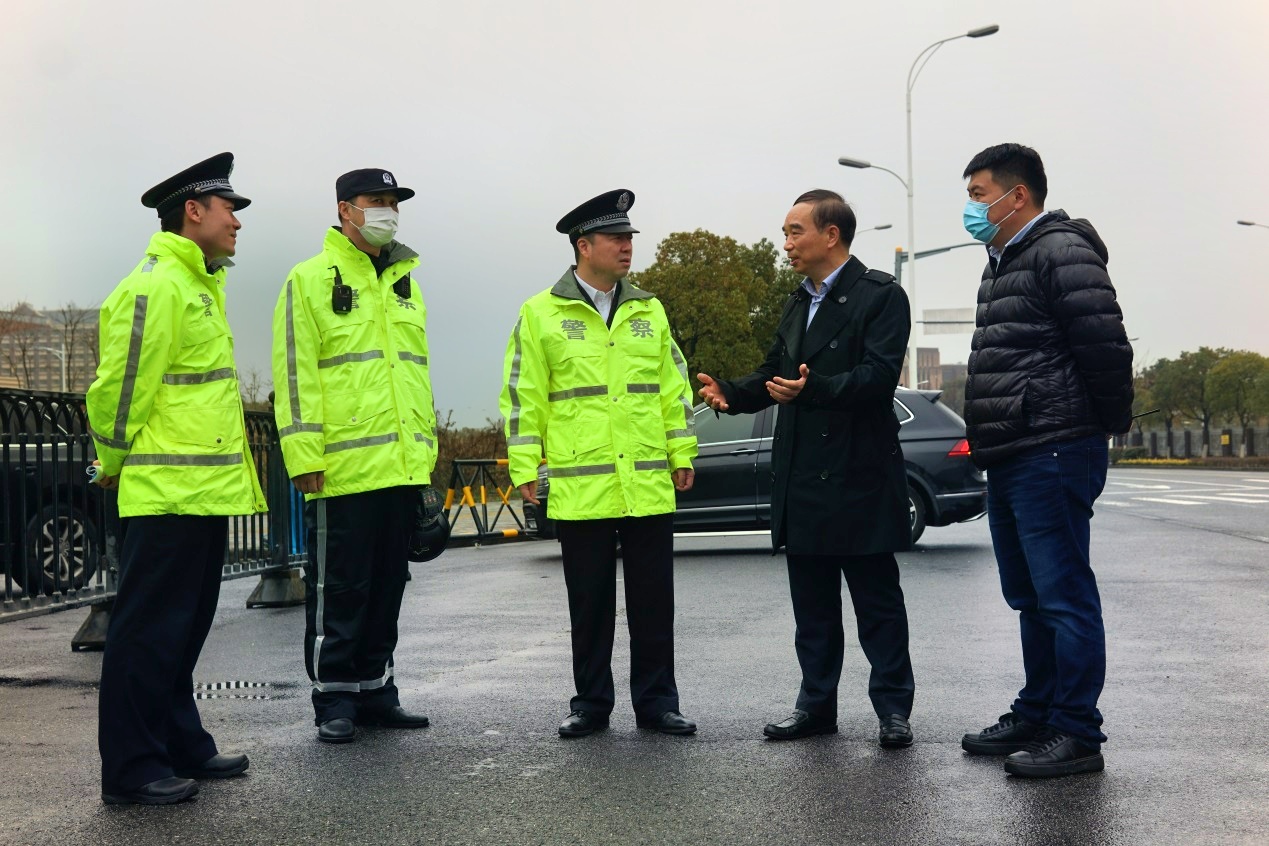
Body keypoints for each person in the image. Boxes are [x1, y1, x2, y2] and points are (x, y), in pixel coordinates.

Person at [698, 189, 916, 748]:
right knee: (813, 611)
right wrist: (732, 393)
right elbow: (774, 372)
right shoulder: (797, 301)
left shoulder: (880, 296)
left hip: (859, 476)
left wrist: (813, 388)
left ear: (831, 235)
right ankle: (816, 707)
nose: (787, 243)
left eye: (795, 232)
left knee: (878, 607)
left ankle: (893, 711)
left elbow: (878, 378)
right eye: (786, 233)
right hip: (802, 479)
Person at [88, 152, 264, 805]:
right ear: (193, 211)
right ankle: (132, 768)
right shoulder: (157, 285)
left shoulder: (198, 285)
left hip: (198, 493)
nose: (237, 221)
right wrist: (109, 463)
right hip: (164, 492)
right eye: (228, 209)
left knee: (181, 630)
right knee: (148, 632)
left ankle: (180, 741)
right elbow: (119, 389)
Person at [955, 144, 1133, 778]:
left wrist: (1098, 429)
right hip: (1012, 449)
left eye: (978, 195)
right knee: (1029, 594)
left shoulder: (1060, 251)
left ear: (1017, 195)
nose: (972, 209)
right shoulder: (1001, 262)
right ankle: (1039, 710)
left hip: (1054, 446)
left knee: (1063, 594)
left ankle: (1077, 732)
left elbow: (1105, 346)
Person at [500, 189, 699, 737]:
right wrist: (524, 466)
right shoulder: (541, 313)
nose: (627, 247)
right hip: (581, 486)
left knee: (654, 603)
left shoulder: (649, 309)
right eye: (615, 238)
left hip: (646, 482)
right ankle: (590, 704)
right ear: (583, 246)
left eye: (629, 237)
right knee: (589, 605)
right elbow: (523, 395)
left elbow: (673, 389)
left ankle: (657, 704)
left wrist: (681, 451)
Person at [271, 168, 437, 744]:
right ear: (346, 209)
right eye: (376, 200)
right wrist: (302, 455)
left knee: (389, 585)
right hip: (341, 469)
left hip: (401, 464)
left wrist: (425, 455)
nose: (388, 210)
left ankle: (376, 689)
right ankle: (335, 696)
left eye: (394, 201)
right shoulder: (309, 279)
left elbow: (415, 375)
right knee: (339, 589)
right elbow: (295, 375)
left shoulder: (405, 280)